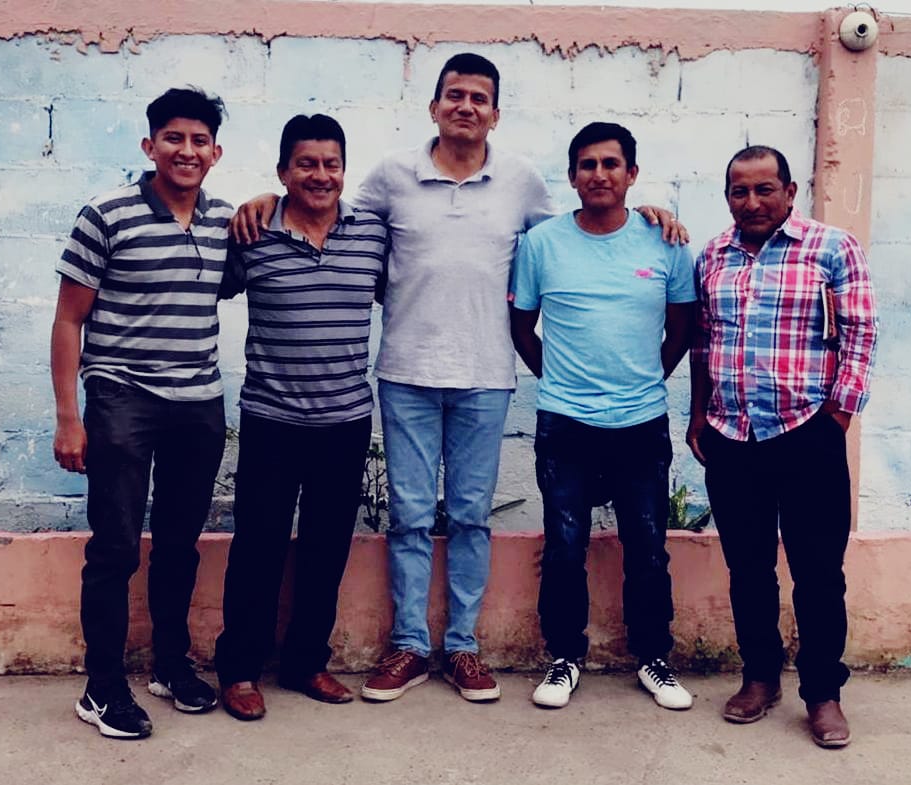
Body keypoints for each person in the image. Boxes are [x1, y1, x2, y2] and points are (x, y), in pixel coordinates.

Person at [231, 53, 685, 704]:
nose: (465, 106)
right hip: (406, 372)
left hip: (485, 375)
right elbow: (328, 210)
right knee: (410, 517)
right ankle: (410, 645)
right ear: (434, 106)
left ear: (495, 114)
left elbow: (577, 233)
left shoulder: (520, 182)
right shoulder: (392, 177)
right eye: (454, 95)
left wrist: (649, 215)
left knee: (471, 518)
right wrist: (268, 199)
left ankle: (464, 647)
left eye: (478, 97)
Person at [51, 87, 232, 739]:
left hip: (198, 401)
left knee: (180, 544)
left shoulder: (224, 221)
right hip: (121, 396)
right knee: (117, 545)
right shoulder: (106, 214)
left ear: (215, 152)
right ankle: (101, 688)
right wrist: (69, 417)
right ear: (150, 145)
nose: (187, 150)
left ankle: (170, 666)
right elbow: (69, 319)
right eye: (174, 138)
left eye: (199, 140)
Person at [686, 145, 878, 748]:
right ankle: (760, 677)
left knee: (818, 573)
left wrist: (837, 416)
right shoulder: (713, 255)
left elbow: (861, 332)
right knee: (748, 570)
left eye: (764, 189)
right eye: (739, 191)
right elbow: (702, 341)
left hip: (807, 434)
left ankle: (822, 693)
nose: (752, 202)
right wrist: (698, 415)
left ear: (790, 192)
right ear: (727, 197)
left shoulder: (831, 248)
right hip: (732, 437)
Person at [510, 122, 695, 711]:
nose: (599, 174)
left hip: (641, 422)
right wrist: (559, 381)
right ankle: (564, 657)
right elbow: (521, 326)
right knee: (566, 545)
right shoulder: (542, 244)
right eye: (587, 165)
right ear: (572, 177)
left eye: (611, 164)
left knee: (648, 546)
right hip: (565, 422)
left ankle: (654, 658)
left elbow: (683, 326)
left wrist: (646, 379)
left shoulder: (664, 242)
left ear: (631, 174)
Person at [213, 114, 388, 721]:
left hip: (345, 421)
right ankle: (238, 670)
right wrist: (255, 204)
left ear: (344, 170)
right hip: (272, 419)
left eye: (331, 164)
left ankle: (306, 662)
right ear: (283, 171)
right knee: (257, 548)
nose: (320, 175)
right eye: (306, 164)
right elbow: (206, 286)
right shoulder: (252, 233)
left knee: (326, 549)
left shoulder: (372, 235)